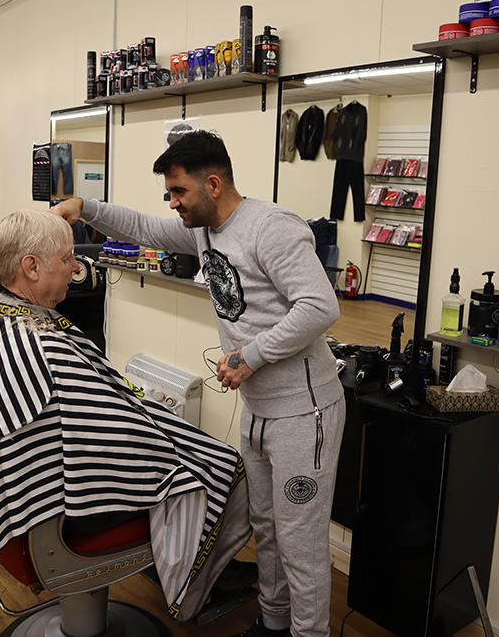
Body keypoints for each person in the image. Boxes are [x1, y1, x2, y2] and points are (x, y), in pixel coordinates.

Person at [52, 130, 346, 637]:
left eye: (179, 192)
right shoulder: (204, 230)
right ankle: (274, 624)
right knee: (268, 530)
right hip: (259, 408)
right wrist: (86, 206)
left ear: (213, 184)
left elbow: (321, 306)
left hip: (305, 413)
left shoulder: (270, 229)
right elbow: (144, 227)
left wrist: (251, 356)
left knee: (300, 543)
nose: (173, 203)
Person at [0, 208, 253, 621]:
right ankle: (196, 577)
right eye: (66, 259)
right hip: (56, 510)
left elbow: (97, 413)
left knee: (181, 443)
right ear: (31, 267)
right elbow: (120, 436)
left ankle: (200, 562)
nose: (76, 268)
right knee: (218, 466)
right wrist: (166, 439)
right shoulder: (42, 349)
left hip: (11, 485)